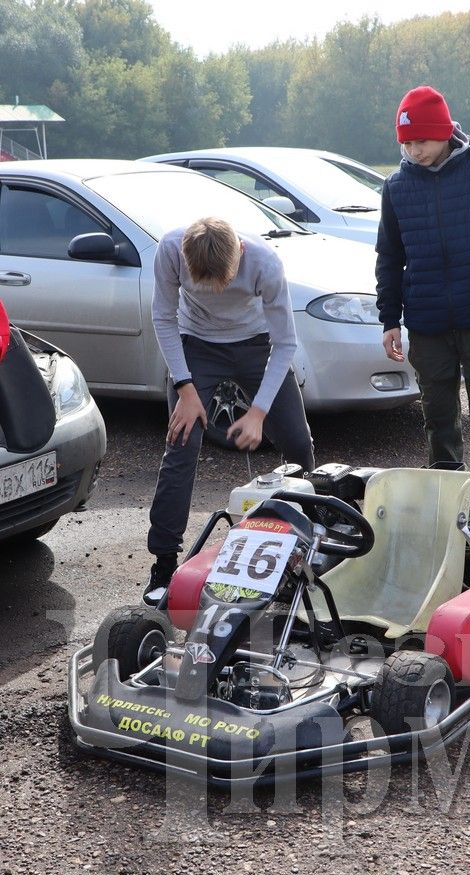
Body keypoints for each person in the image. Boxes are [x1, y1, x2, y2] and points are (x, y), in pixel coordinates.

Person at [142, 216, 316, 603]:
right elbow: (163, 318)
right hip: (196, 345)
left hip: (255, 344)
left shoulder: (265, 263)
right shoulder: (170, 250)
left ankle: (309, 539)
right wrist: (184, 386)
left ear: (240, 251)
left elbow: (286, 344)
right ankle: (164, 564)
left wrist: (257, 413)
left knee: (297, 443)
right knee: (181, 443)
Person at [376, 85, 470, 480]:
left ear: (445, 131)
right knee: (438, 419)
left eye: (421, 140)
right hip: (426, 324)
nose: (414, 151)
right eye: (406, 143)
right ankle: (445, 502)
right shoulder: (395, 187)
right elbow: (390, 258)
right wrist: (389, 318)